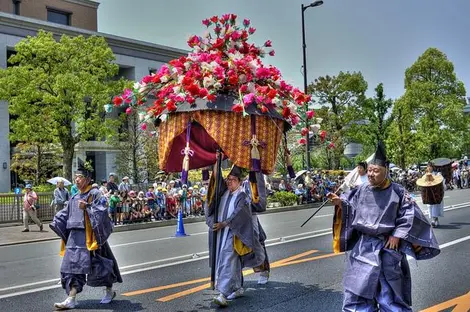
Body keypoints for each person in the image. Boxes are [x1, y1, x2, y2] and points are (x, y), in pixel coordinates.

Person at [330, 141, 440, 312]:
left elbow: (410, 213)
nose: (372, 174)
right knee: (357, 291)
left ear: (386, 171)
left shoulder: (398, 191)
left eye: (376, 171)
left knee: (389, 294)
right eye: (370, 170)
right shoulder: (362, 189)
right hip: (363, 247)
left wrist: (397, 234)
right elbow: (350, 203)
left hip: (387, 247)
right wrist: (340, 202)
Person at [49, 160, 122, 310]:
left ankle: (109, 291)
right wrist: (57, 220)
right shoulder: (74, 196)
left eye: (80, 177)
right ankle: (71, 298)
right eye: (75, 177)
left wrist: (87, 207)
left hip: (91, 237)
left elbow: (102, 210)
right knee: (70, 267)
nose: (77, 179)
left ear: (88, 179)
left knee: (101, 265)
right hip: (73, 238)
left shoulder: (94, 193)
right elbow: (67, 212)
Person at [205, 163, 265, 307]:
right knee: (230, 262)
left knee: (227, 260)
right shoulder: (224, 193)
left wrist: (224, 223)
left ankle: (222, 293)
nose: (229, 182)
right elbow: (213, 190)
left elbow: (238, 213)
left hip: (235, 234)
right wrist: (215, 164)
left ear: (239, 181)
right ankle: (237, 288)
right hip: (220, 234)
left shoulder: (242, 196)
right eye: (228, 179)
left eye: (232, 179)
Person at [242, 170, 270, 285]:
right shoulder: (232, 180)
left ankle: (264, 270)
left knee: (257, 240)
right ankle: (235, 279)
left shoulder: (252, 179)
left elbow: (259, 201)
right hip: (236, 217)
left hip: (250, 213)